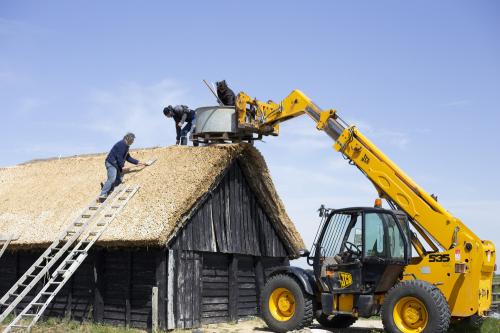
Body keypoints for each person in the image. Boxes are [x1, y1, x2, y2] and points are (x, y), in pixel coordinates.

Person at [98, 133, 144, 203]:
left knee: (119, 180)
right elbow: (119, 157)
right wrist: (122, 167)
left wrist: (137, 162)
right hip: (111, 163)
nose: (133, 142)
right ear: (128, 138)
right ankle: (103, 194)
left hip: (116, 164)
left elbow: (128, 157)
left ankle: (108, 188)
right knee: (112, 178)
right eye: (132, 140)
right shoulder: (121, 144)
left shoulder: (126, 146)